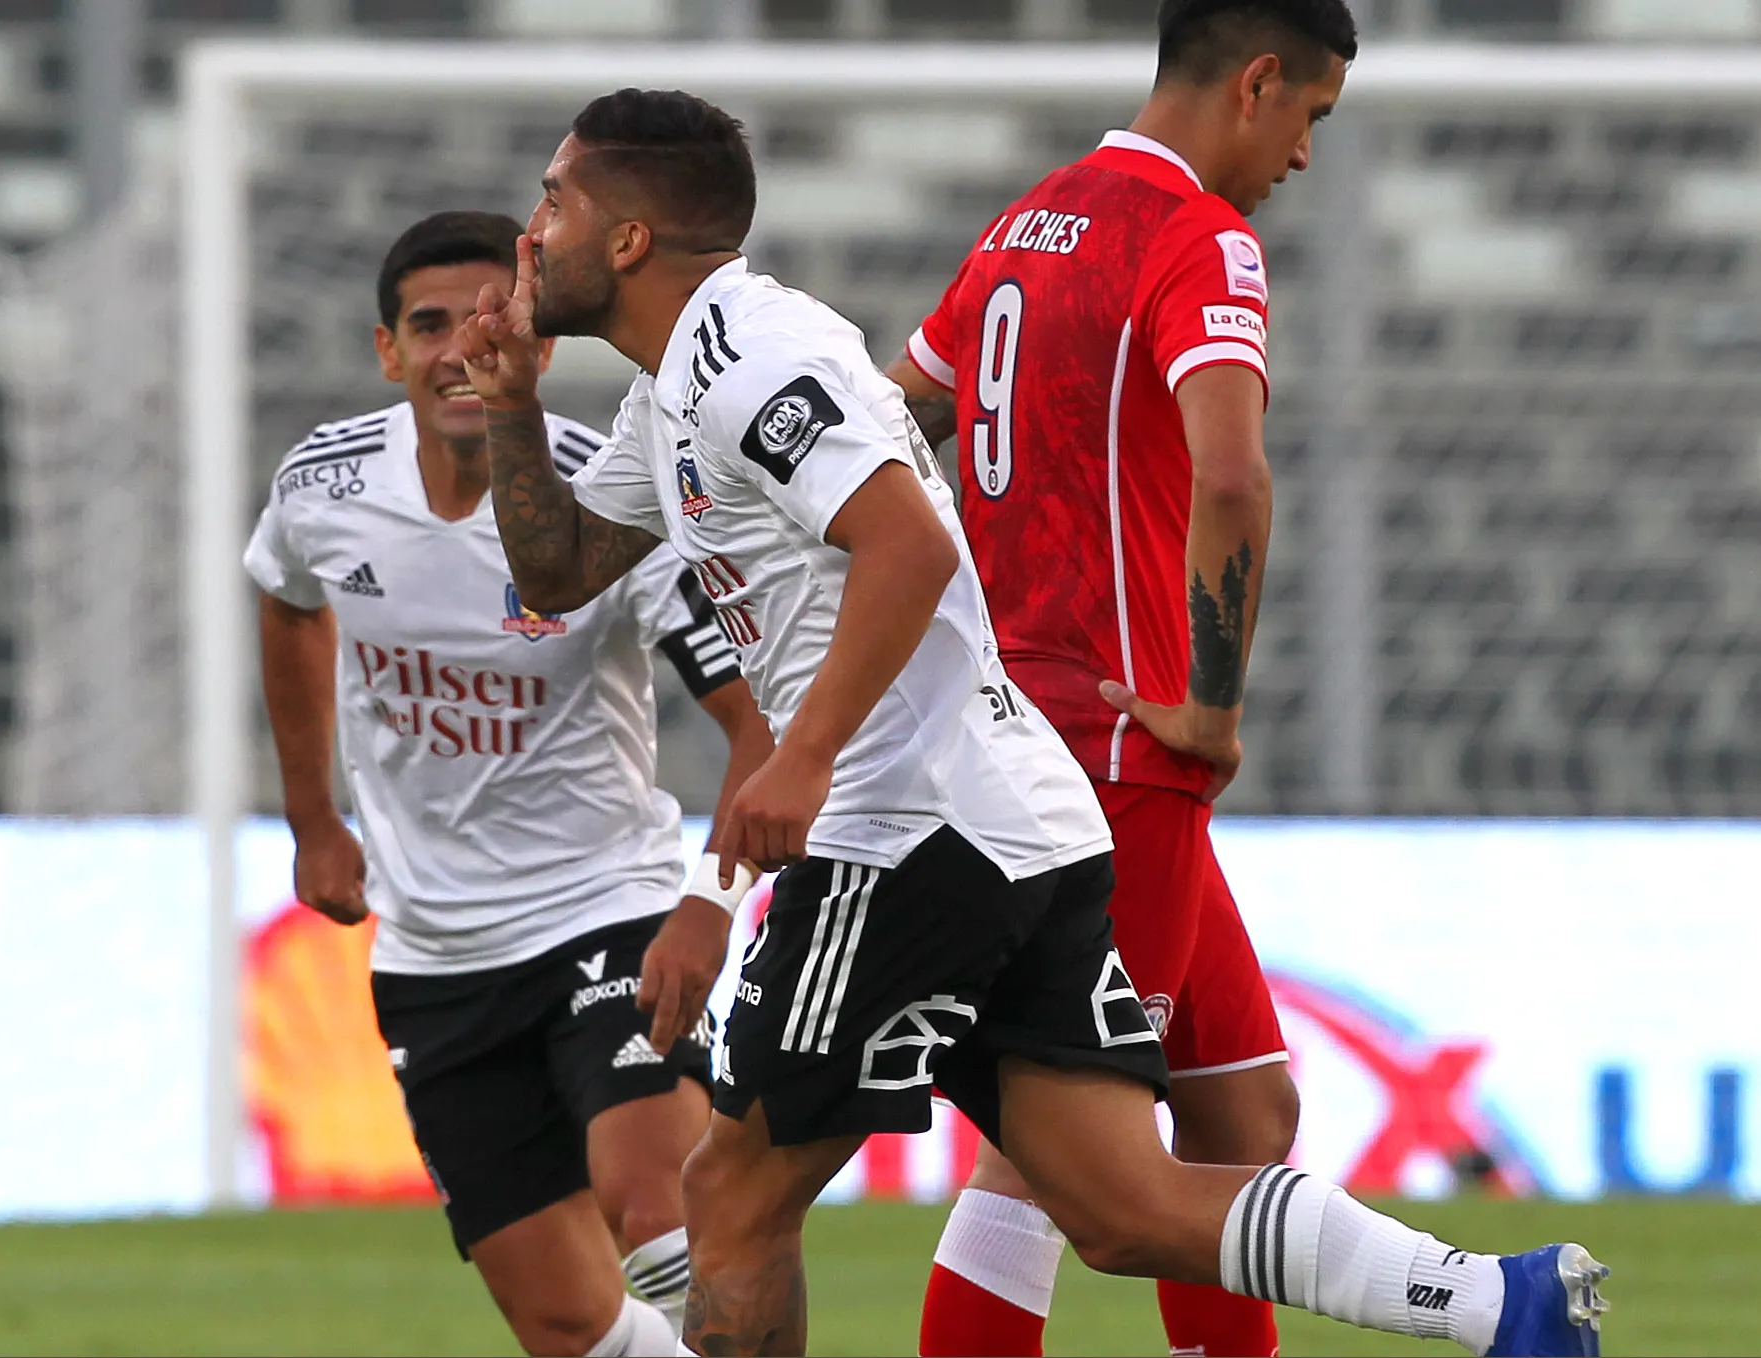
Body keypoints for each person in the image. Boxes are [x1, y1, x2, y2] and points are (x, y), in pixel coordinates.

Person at [458, 87, 1609, 1358]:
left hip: (905, 823)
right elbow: (557, 569)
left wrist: (803, 752)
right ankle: (1505, 1303)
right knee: (1122, 1204)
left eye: (554, 199)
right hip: (1013, 818)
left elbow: (904, 542)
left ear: (627, 239)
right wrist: (512, 399)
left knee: (731, 1190)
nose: (530, 229)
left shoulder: (748, 357)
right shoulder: (671, 390)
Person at [883, 1, 1356, 1352]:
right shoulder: (1199, 237)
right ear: (1258, 83)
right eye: (1311, 117)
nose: (1305, 156)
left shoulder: (1029, 222)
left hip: (1020, 718)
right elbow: (1231, 471)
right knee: (1051, 1159)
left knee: (1240, 1113)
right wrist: (1209, 699)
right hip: (1120, 746)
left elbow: (894, 407)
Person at [245, 209, 775, 1358]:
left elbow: (758, 729)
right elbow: (288, 603)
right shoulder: (323, 483)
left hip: (606, 909)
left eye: (488, 317)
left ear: (536, 343)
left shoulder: (612, 504)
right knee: (564, 1321)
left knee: (656, 1208)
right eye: (426, 324)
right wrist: (310, 818)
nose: (456, 347)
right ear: (386, 350)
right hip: (433, 953)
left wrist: (706, 903)